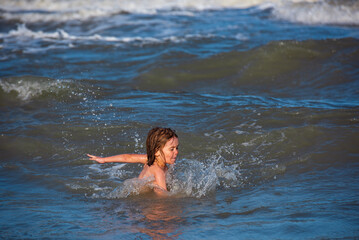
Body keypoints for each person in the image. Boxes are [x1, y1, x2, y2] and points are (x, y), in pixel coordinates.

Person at [87, 127, 179, 196]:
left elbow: (128, 157)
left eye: (176, 148)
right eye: (172, 149)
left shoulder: (150, 159)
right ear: (157, 151)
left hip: (133, 188)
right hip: (135, 194)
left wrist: (104, 160)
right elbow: (162, 195)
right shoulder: (158, 171)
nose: (176, 152)